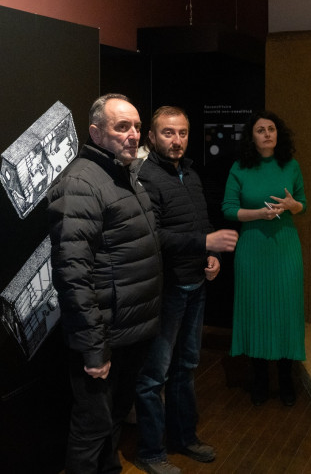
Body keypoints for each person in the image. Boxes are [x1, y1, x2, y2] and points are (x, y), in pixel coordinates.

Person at [46, 93, 163, 474]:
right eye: (122, 126)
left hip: (130, 332)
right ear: (96, 133)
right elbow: (73, 275)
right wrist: (94, 348)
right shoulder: (81, 183)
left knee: (111, 421)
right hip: (105, 335)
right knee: (92, 427)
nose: (134, 134)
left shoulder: (123, 175)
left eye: (137, 127)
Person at [134, 106, 239, 474]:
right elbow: (153, 236)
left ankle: (184, 438)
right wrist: (204, 242)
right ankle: (150, 451)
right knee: (154, 376)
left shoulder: (190, 174)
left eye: (182, 133)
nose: (176, 140)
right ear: (151, 137)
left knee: (186, 367)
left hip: (196, 285)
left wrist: (212, 255)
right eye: (168, 133)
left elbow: (203, 224)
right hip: (167, 289)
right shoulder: (145, 177)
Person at [222, 110, 307, 407]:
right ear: (252, 137)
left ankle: (286, 378)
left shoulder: (291, 165)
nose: (267, 134)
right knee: (255, 311)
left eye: (271, 129)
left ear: (278, 134)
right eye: (261, 130)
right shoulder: (240, 168)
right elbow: (228, 209)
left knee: (286, 311)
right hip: (252, 249)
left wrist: (293, 205)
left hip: (285, 249)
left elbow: (303, 205)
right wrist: (259, 213)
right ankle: (259, 378)